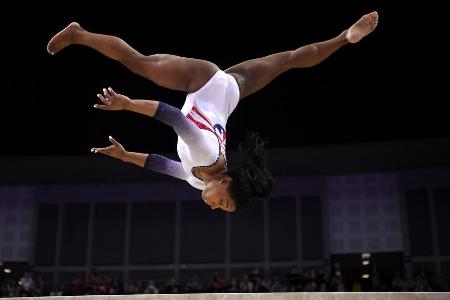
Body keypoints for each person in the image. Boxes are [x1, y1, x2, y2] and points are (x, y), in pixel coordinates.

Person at [47, 12, 378, 212]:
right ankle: (79, 34)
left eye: (220, 208)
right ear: (225, 180)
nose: (213, 206)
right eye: (222, 203)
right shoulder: (206, 154)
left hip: (232, 91)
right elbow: (174, 116)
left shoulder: (195, 179)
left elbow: (160, 164)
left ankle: (344, 38)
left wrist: (123, 156)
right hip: (204, 79)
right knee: (140, 64)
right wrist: (127, 104)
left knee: (289, 60)